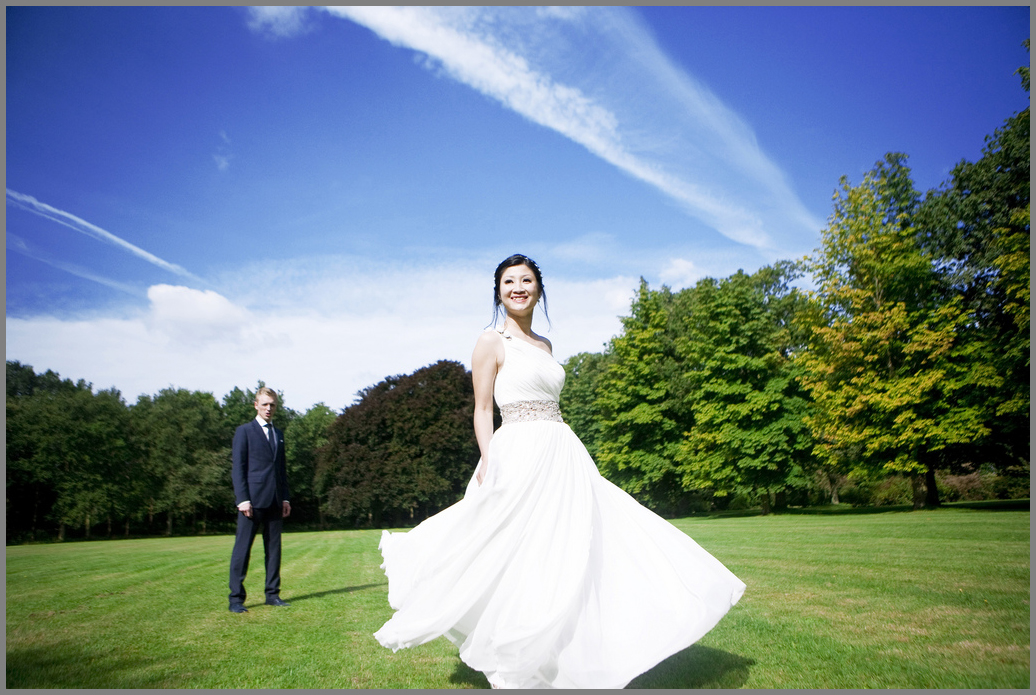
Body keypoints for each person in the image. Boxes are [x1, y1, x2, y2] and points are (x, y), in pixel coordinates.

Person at [374, 254, 746, 688]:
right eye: (509, 281)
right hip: (516, 450)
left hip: (562, 451)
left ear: (539, 288)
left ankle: (572, 652)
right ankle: (514, 650)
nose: (518, 287)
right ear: (498, 291)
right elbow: (480, 410)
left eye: (526, 280)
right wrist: (490, 459)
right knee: (514, 553)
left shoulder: (545, 346)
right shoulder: (490, 341)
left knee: (576, 549)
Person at [228, 386, 292, 613]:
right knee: (242, 551)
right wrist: (242, 499)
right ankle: (236, 599)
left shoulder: (279, 434)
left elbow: (281, 471)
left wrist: (285, 498)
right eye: (265, 404)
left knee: (274, 551)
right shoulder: (244, 432)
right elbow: (239, 469)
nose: (269, 409)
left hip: (275, 501)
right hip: (251, 503)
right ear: (256, 405)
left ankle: (272, 595)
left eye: (272, 405)